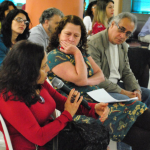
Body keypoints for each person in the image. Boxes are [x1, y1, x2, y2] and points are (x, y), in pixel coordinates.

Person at [47, 15, 150, 150]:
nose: (71, 39)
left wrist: (85, 78)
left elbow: (100, 75)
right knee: (143, 137)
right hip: (80, 104)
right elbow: (81, 79)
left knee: (136, 105)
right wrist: (77, 53)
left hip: (98, 95)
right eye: (68, 34)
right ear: (59, 34)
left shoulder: (82, 52)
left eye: (76, 36)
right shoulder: (55, 55)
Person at [0, 40, 109, 150]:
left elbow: (62, 102)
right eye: (43, 67)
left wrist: (93, 108)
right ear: (28, 71)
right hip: (36, 146)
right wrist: (67, 114)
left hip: (53, 139)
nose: (48, 69)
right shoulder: (8, 97)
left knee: (100, 139)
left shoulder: (37, 83)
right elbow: (39, 137)